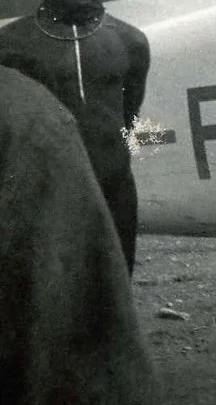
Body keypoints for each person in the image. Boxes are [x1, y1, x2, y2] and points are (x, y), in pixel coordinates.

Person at [0, 0, 150, 275]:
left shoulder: (131, 43)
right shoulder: (11, 45)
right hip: (40, 201)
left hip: (114, 197)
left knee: (110, 312)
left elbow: (130, 122)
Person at [0, 65, 162, 405]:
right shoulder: (26, 110)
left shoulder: (128, 41)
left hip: (105, 173)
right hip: (62, 166)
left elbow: (131, 115)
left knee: (101, 276)